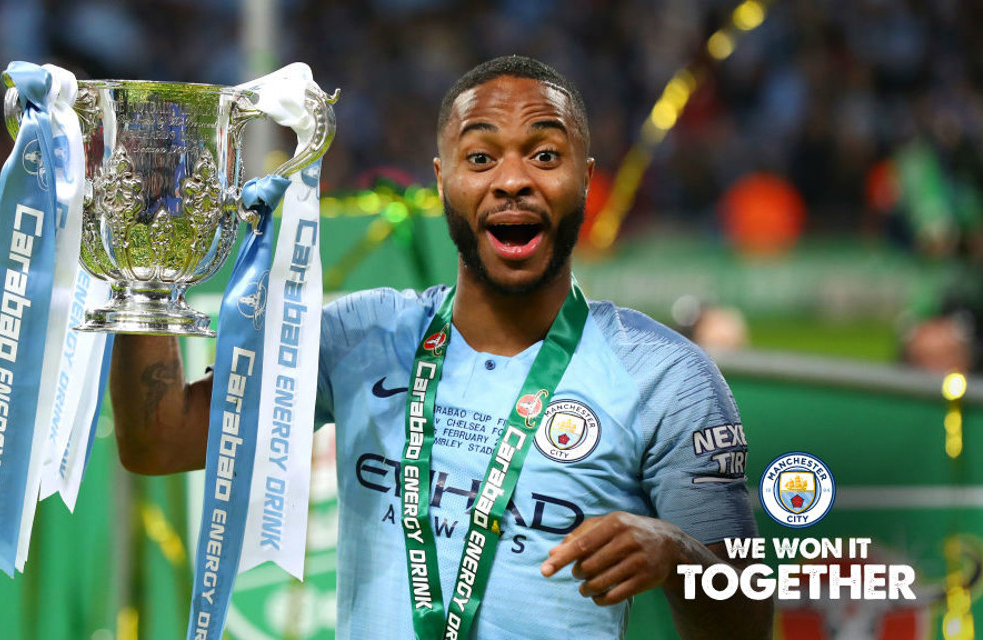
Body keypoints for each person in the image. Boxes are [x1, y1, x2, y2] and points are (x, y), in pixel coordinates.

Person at [110, 55, 774, 640]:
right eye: (480, 158)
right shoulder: (360, 337)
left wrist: (680, 554)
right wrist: (144, 265)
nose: (512, 180)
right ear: (441, 179)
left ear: (584, 179)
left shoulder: (667, 377)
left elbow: (747, 625)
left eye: (544, 155)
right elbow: (158, 439)